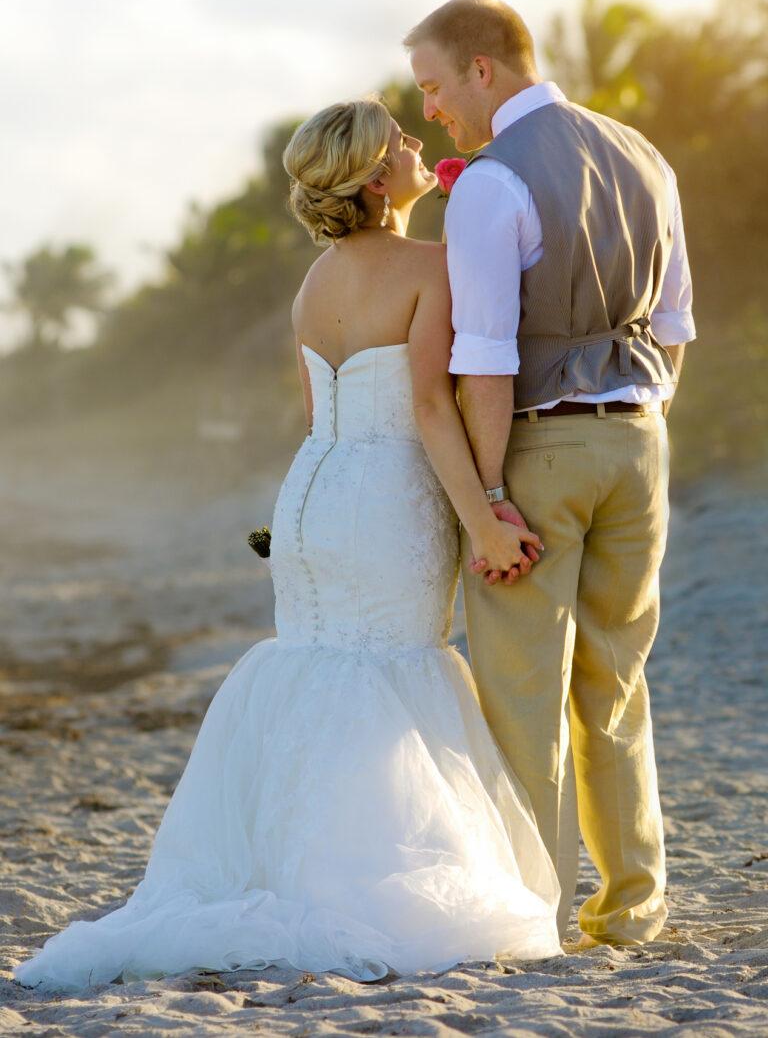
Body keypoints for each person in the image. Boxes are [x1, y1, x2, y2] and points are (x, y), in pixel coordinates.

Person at [13, 96, 561, 993]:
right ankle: (353, 879)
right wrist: (484, 515)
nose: (419, 145)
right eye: (401, 140)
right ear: (380, 177)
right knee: (387, 663)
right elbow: (431, 408)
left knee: (320, 661)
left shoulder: (313, 286)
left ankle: (289, 864)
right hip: (386, 495)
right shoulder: (433, 266)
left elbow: (319, 413)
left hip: (311, 491)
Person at [405, 0, 696, 945]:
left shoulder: (492, 183)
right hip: (641, 439)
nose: (433, 111)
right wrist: (637, 425)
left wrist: (489, 497)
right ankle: (632, 907)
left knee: (522, 690)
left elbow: (484, 358)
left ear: (483, 70)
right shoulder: (645, 154)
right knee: (616, 681)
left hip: (541, 441)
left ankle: (532, 910)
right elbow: (677, 330)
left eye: (437, 86)